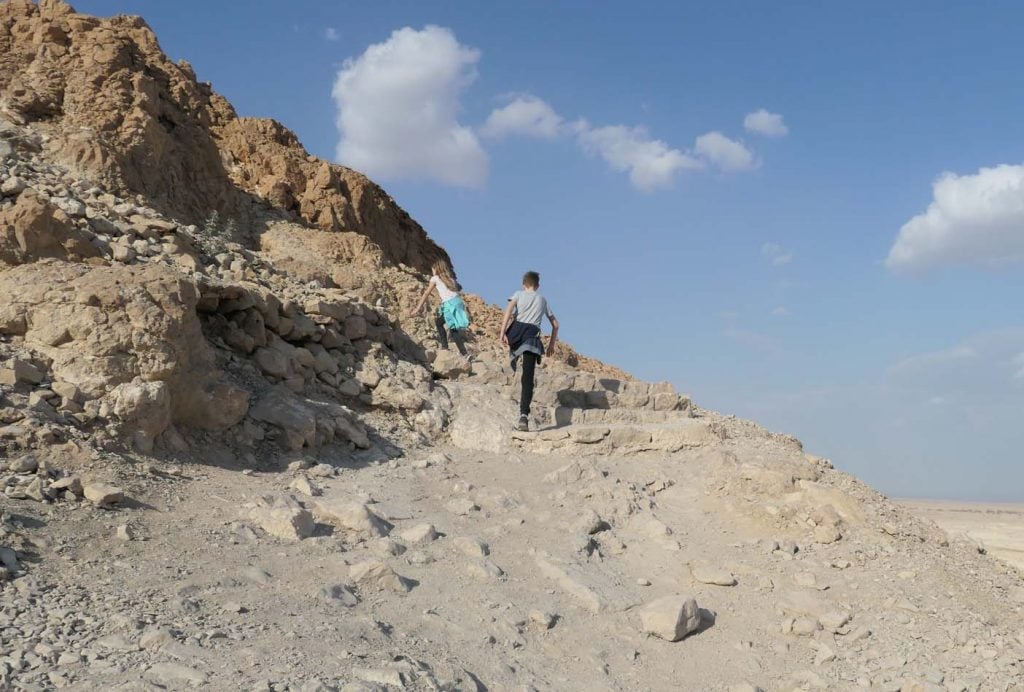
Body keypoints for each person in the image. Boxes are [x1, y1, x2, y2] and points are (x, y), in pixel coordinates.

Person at [499, 270, 559, 431]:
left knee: (517, 349)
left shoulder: (518, 294)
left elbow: (509, 311)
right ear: (538, 285)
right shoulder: (543, 300)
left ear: (523, 283)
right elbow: (555, 324)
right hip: (532, 338)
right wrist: (551, 345)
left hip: (517, 334)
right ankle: (523, 416)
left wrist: (502, 332)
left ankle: (514, 356)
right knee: (528, 378)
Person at [411, 260, 470, 356]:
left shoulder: (435, 278)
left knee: (451, 328)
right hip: (457, 302)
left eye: (432, 269)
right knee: (440, 323)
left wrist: (417, 308)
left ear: (436, 269)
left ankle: (461, 352)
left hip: (450, 304)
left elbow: (426, 293)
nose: (432, 271)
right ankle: (448, 348)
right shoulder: (450, 279)